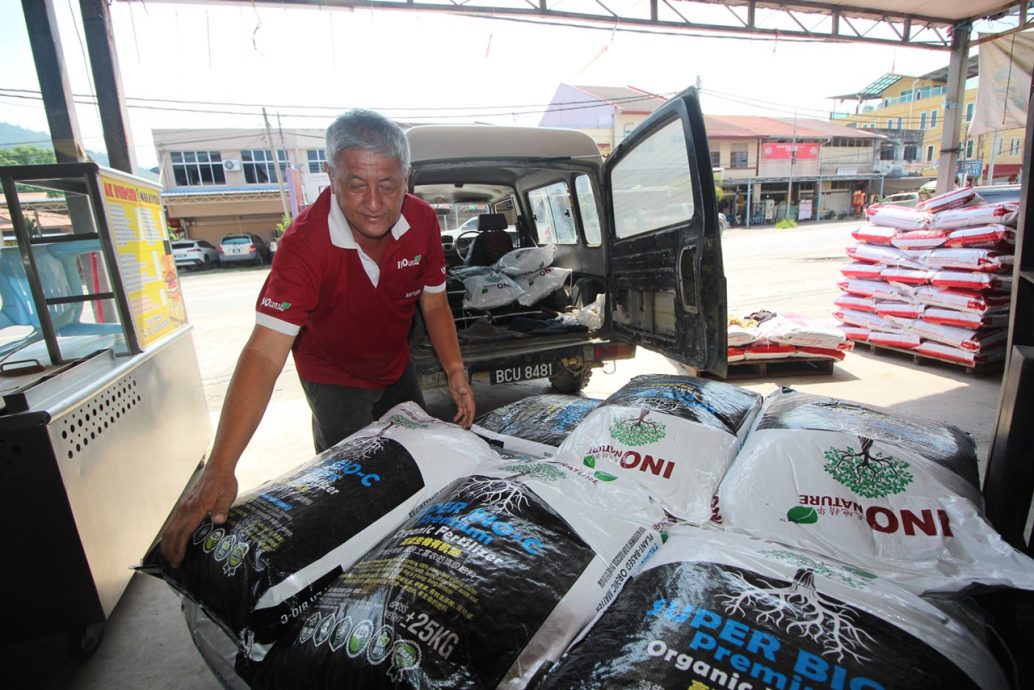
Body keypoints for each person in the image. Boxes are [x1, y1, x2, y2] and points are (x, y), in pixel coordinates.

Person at [160, 109, 475, 567]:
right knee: (354, 485)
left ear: (407, 176)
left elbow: (434, 304)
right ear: (329, 176)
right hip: (332, 378)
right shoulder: (304, 245)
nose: (373, 203)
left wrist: (455, 370)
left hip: (393, 365)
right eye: (355, 184)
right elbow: (265, 353)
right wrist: (220, 467)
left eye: (388, 185)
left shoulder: (424, 223)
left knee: (412, 464)